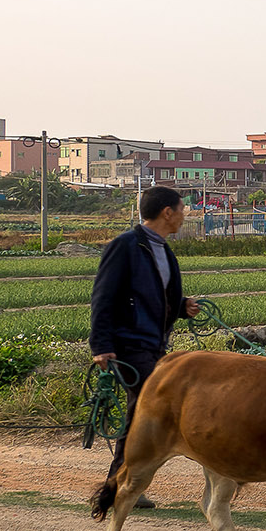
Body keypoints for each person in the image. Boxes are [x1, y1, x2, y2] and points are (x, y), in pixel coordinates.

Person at [89, 185, 199, 506]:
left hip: (152, 344)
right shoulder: (125, 246)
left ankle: (121, 483)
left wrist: (181, 306)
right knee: (145, 411)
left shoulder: (161, 249)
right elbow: (104, 296)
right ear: (167, 212)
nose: (183, 215)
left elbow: (154, 297)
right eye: (182, 210)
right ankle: (120, 485)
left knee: (141, 413)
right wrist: (101, 345)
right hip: (128, 345)